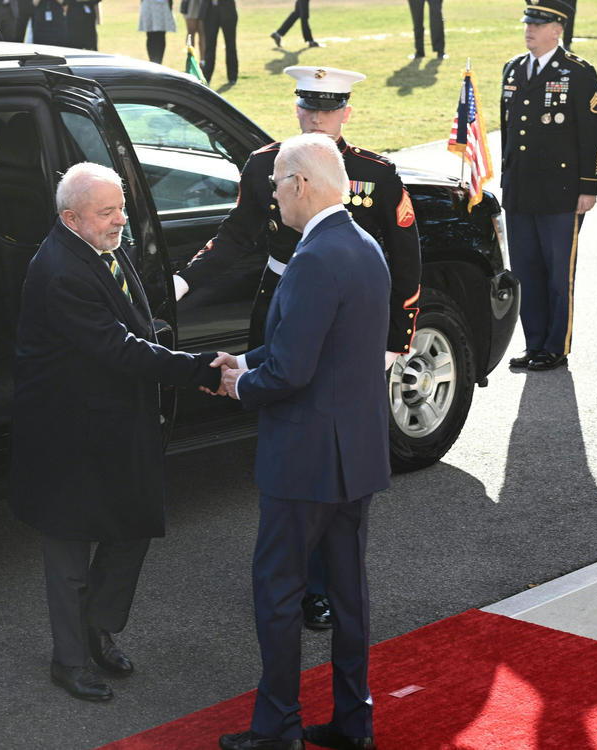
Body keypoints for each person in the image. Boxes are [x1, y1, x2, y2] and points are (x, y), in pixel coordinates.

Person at [173, 65, 420, 631]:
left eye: (327, 109)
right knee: (288, 430)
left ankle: (316, 584)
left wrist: (394, 341)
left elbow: (405, 259)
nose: (315, 118)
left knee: (334, 445)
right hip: (281, 299)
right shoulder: (265, 165)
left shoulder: (374, 174)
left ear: (346, 114)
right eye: (307, 108)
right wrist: (185, 282)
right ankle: (291, 557)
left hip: (348, 318)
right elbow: (236, 236)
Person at [9, 163, 222, 702]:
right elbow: (117, 347)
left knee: (133, 524)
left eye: (120, 208)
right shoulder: (62, 270)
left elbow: (133, 323)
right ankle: (70, 660)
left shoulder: (98, 244)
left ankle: (97, 628)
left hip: (114, 423)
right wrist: (197, 368)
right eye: (107, 213)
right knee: (69, 550)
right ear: (70, 217)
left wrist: (164, 342)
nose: (120, 221)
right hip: (68, 437)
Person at [214, 133, 391, 750]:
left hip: (305, 461)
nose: (273, 196)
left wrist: (238, 386)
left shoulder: (314, 257)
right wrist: (242, 360)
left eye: (277, 185)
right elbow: (312, 345)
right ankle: (352, 720)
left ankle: (279, 727)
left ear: (301, 186)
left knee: (279, 592)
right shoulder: (365, 246)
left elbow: (291, 370)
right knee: (348, 596)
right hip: (355, 456)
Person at [500, 0, 597, 371]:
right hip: (520, 192)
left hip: (561, 193)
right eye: (527, 21)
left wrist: (589, 187)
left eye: (538, 23)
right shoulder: (513, 69)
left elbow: (593, 136)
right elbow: (509, 135)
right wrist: (505, 181)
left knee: (558, 273)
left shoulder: (577, 73)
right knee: (526, 272)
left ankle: (555, 347)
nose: (529, 28)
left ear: (557, 29)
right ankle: (534, 344)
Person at [200, 0, 237, 86]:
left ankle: (232, 77)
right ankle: (206, 77)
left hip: (227, 9)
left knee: (230, 45)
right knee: (209, 46)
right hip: (209, 10)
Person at [138, 0, 176, 64]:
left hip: (162, 4)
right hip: (149, 4)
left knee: (161, 35)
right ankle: (152, 61)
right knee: (150, 35)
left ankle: (159, 62)